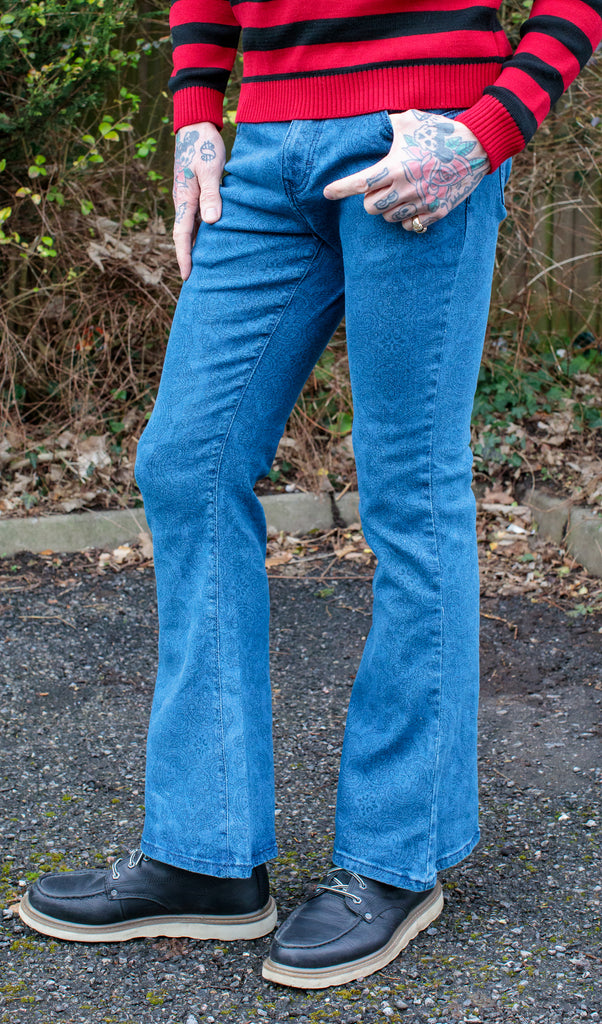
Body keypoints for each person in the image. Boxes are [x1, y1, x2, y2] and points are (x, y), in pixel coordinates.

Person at [20, 0, 602, 990]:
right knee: (184, 462)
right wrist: (197, 110)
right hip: (265, 147)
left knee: (408, 492)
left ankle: (394, 855)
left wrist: (487, 130)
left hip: (427, 130)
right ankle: (204, 857)